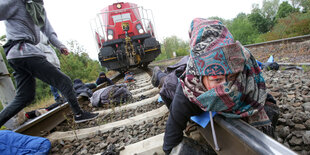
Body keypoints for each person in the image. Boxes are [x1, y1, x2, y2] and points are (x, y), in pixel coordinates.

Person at [151, 18, 278, 154]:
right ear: (200, 78)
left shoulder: (245, 69)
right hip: (176, 74)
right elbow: (170, 144)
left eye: (232, 77)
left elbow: (266, 100)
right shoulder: (187, 91)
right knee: (167, 82)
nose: (227, 87)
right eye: (217, 79)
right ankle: (157, 74)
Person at [0, 0, 98, 126]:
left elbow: (48, 31)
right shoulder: (16, 2)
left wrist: (60, 46)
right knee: (64, 81)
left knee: (25, 96)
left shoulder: (38, 8)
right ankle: (79, 114)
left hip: (17, 55)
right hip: (23, 51)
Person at [36, 32, 64, 103]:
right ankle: (57, 97)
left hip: (56, 65)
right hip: (49, 65)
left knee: (60, 81)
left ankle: (63, 95)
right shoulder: (39, 45)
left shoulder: (50, 47)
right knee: (53, 82)